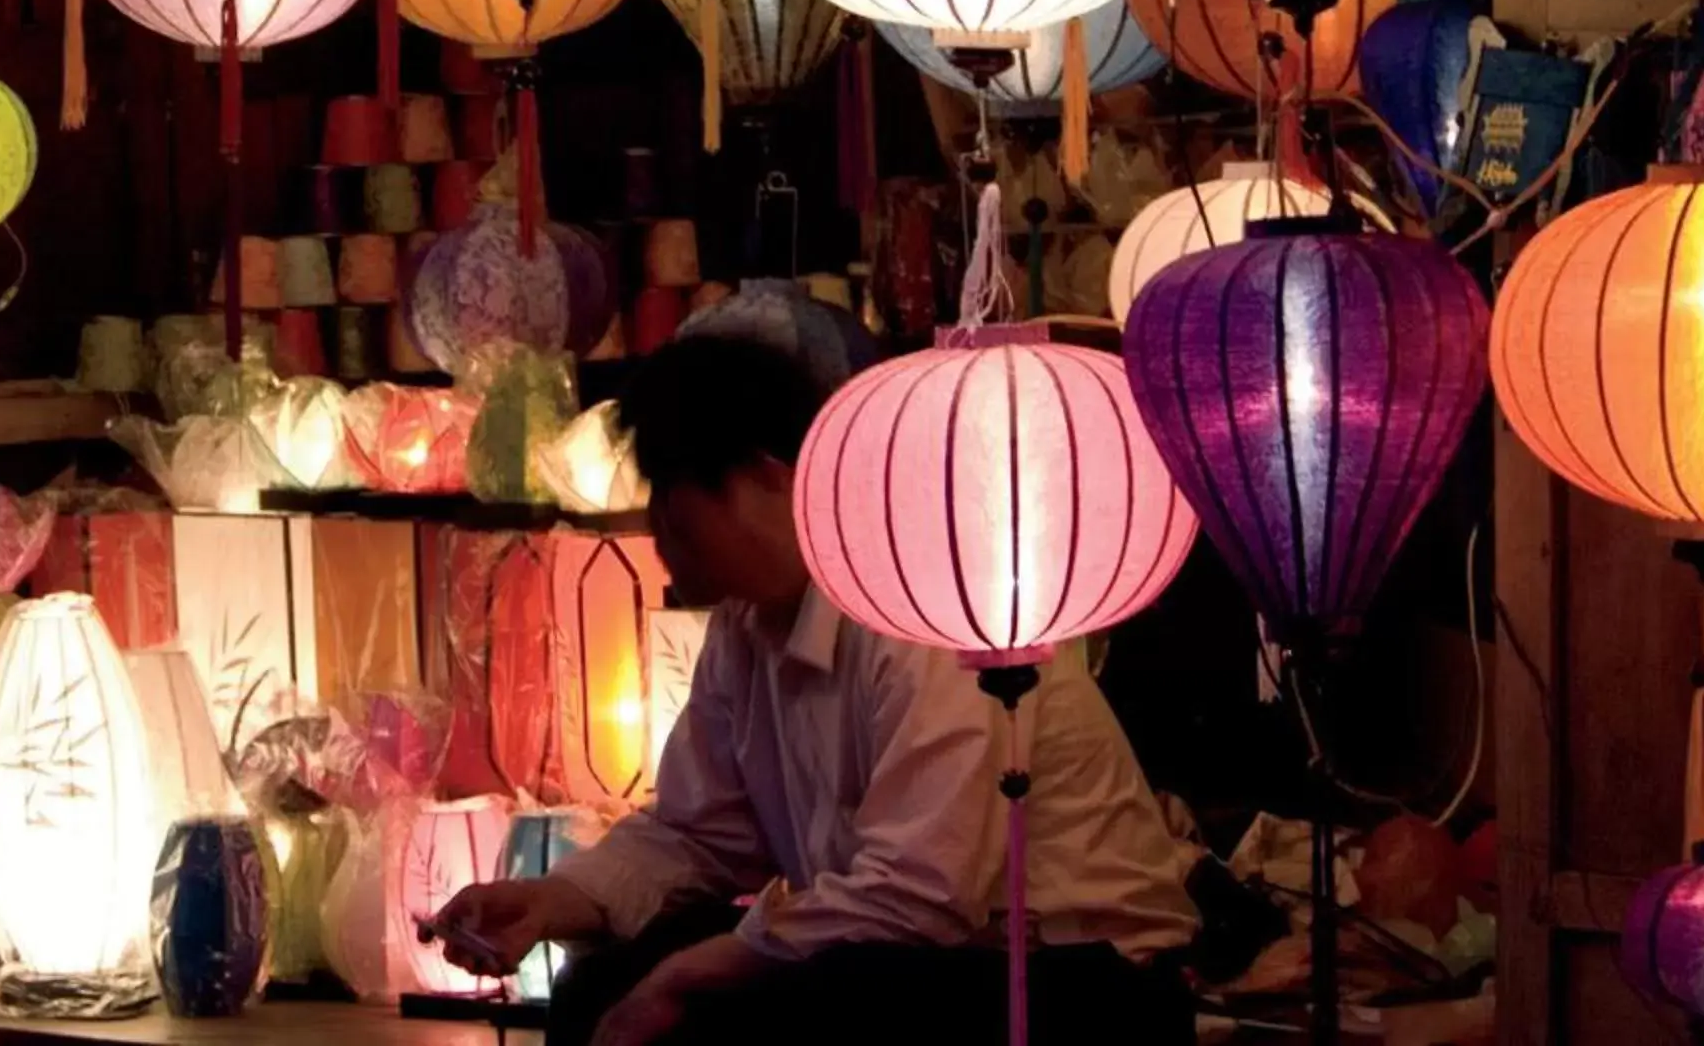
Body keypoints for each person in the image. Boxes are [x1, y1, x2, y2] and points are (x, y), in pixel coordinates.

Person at [430, 336, 1200, 1046]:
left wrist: (692, 973)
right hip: (909, 957)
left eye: (676, 496)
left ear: (768, 476)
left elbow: (919, 893)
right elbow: (699, 835)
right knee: (603, 982)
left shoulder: (921, 607)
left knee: (798, 1000)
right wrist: (553, 899)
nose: (660, 533)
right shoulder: (745, 626)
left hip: (1079, 976)